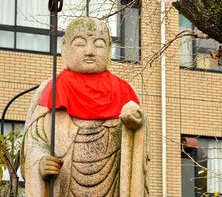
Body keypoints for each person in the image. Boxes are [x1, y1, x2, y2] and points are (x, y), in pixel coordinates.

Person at [21, 18, 148, 197]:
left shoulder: (125, 92)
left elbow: (138, 153)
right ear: (64, 48)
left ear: (110, 48)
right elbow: (34, 142)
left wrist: (134, 128)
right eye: (80, 44)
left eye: (99, 44)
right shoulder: (51, 89)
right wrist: (40, 162)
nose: (90, 52)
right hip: (64, 186)